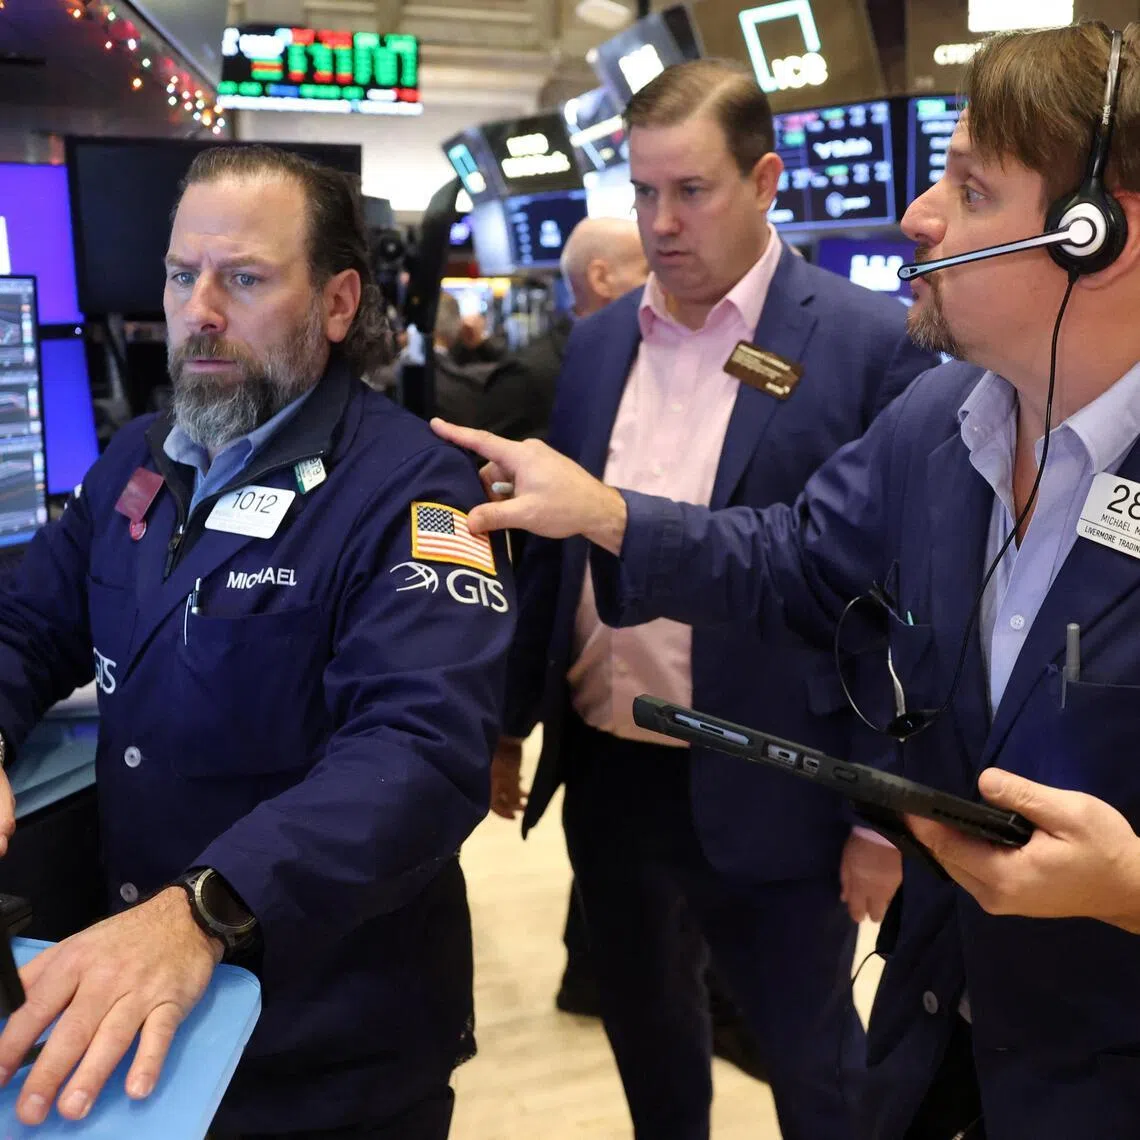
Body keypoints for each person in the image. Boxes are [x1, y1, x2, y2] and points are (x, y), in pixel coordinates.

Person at [432, 22, 1140, 1139]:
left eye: (969, 187)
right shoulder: (942, 423)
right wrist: (606, 516)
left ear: (1097, 235)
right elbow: (796, 559)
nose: (919, 216)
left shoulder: (879, 364)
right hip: (945, 1033)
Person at [0, 144, 515, 1138]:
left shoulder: (410, 490)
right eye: (182, 274)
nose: (198, 309)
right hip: (143, 1018)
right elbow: (30, 624)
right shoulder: (138, 461)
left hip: (327, 1044)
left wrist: (207, 908)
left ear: (336, 303)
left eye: (243, 278)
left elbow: (418, 753)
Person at [475, 59, 937, 1140]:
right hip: (610, 767)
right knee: (649, 1042)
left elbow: (896, 599)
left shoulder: (868, 344)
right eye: (642, 194)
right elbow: (552, 550)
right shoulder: (596, 346)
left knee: (819, 1072)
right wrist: (507, 722)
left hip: (777, 772)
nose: (663, 222)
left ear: (766, 179)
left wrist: (881, 813)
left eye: (692, 191)